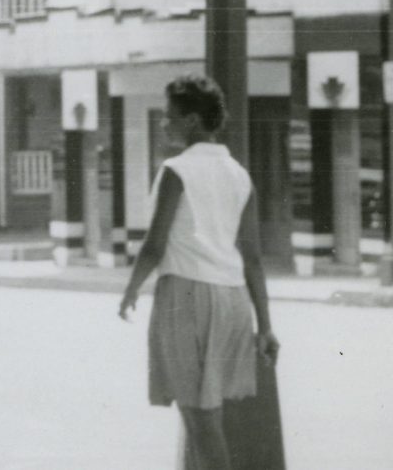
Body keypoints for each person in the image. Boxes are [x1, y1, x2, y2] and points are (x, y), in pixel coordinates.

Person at [118, 74, 280, 470]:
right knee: (209, 415)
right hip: (233, 300)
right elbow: (254, 257)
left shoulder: (177, 170)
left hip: (188, 297)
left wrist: (131, 289)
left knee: (199, 419)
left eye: (170, 116)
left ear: (191, 120)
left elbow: (155, 245)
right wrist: (265, 326)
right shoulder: (239, 174)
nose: (163, 123)